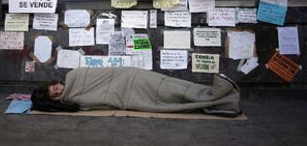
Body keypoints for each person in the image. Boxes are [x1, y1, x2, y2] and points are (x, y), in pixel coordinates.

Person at [32, 67, 242, 117]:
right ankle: (220, 100)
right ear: (55, 101)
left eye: (56, 87)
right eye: (56, 94)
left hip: (134, 77)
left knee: (173, 86)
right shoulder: (74, 101)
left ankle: (216, 95)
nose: (59, 90)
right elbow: (105, 100)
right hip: (130, 92)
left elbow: (106, 75)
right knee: (172, 98)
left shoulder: (75, 75)